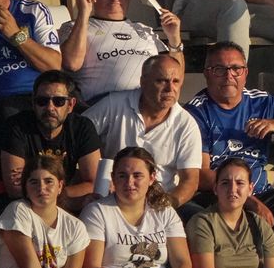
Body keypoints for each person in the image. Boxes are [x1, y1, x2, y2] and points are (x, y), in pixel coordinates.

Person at [187, 41, 274, 223]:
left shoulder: (263, 103)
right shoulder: (196, 112)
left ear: (246, 73)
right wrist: (249, 202)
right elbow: (200, 175)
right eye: (219, 69)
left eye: (236, 69)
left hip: (261, 192)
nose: (229, 76)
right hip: (218, 194)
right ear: (207, 73)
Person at [78, 146, 197, 268]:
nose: (129, 182)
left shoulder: (164, 211)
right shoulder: (97, 212)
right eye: (122, 175)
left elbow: (182, 262)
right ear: (113, 178)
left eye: (137, 176)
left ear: (151, 178)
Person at [59, 0, 183, 105]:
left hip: (150, 105)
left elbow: (175, 77)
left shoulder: (144, 30)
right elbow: (71, 63)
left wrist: (174, 39)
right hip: (104, 106)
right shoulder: (74, 27)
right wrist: (83, 14)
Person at [85, 53, 202, 209]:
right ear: (143, 82)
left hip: (160, 203)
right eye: (161, 81)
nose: (170, 88)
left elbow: (190, 181)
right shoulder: (114, 104)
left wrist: (164, 207)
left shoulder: (187, 124)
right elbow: (78, 131)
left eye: (176, 81)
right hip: (111, 199)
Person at [0, 155, 102, 268]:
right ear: (25, 188)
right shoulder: (17, 211)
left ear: (60, 186)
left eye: (49, 181)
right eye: (34, 182)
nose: (41, 188)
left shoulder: (75, 226)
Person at [0, 69, 101, 218]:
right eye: (42, 101)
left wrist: (51, 193)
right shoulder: (16, 127)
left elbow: (94, 184)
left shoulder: (82, 127)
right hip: (21, 208)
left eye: (59, 101)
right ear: (33, 103)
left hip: (55, 203)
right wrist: (67, 198)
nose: (50, 107)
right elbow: (16, 189)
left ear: (70, 105)